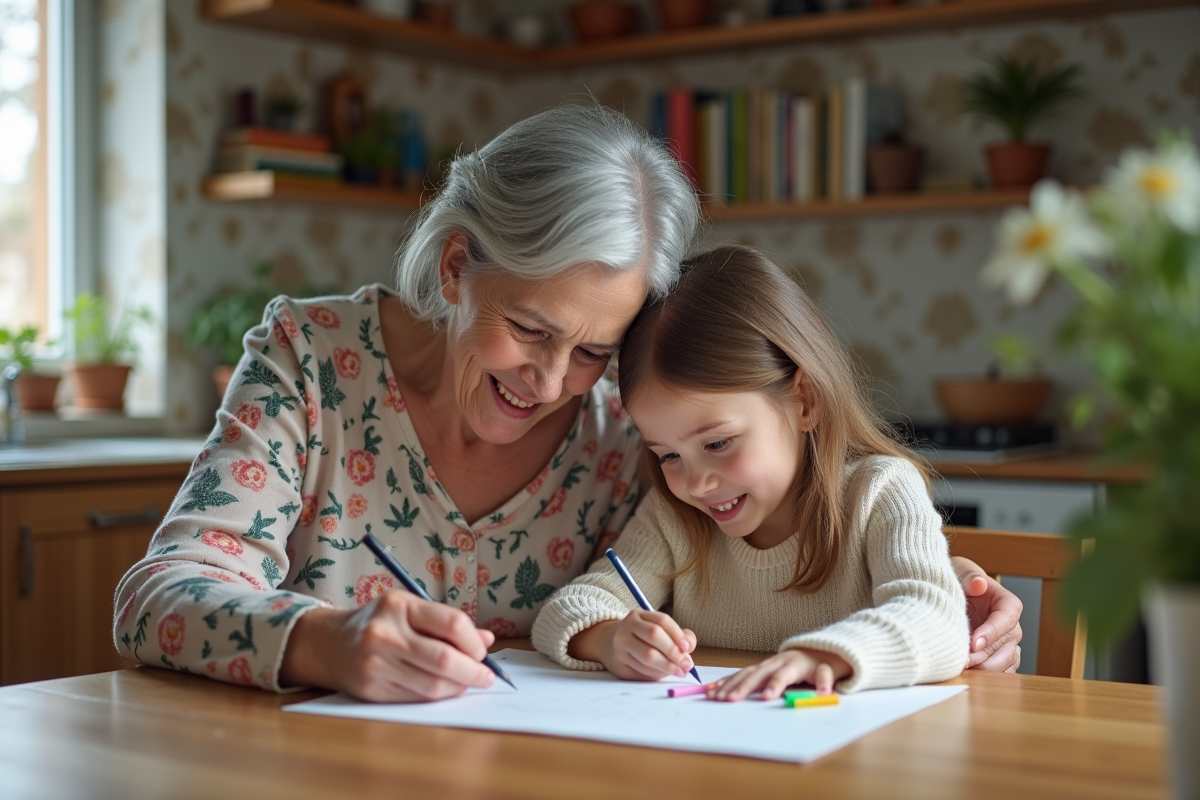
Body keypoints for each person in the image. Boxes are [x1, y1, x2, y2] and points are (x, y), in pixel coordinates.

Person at [113, 106, 1021, 703]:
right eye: (529, 329)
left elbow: (762, 527)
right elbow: (155, 599)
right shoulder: (308, 363)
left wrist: (955, 593)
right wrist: (321, 641)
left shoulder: (630, 426)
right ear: (456, 267)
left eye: (593, 351)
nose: (550, 384)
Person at [532, 245, 969, 698]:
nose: (696, 483)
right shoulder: (672, 517)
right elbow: (569, 608)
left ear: (805, 400)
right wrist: (609, 638)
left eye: (717, 443)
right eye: (668, 455)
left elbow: (937, 619)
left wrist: (824, 657)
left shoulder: (880, 492)